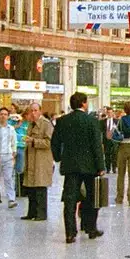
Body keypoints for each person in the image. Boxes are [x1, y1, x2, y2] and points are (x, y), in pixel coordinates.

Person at [51, 92, 106, 244]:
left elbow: (54, 142)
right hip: (90, 166)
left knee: (69, 199)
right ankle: (91, 228)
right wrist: (101, 166)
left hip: (70, 166)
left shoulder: (62, 121)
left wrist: (58, 158)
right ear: (83, 103)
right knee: (91, 197)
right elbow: (97, 145)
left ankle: (70, 233)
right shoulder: (91, 121)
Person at [20, 103, 54, 222]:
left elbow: (49, 142)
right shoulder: (30, 124)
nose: (33, 113)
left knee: (40, 187)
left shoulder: (46, 124)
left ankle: (41, 213)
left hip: (41, 160)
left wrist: (33, 141)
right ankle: (31, 212)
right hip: (31, 159)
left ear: (40, 111)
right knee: (31, 187)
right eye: (31, 111)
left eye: (35, 110)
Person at [0, 108, 21, 211]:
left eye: (5, 114)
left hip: (8, 156)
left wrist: (13, 156)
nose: (3, 116)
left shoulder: (11, 129)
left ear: (8, 116)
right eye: (1, 114)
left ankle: (11, 199)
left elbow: (14, 143)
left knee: (8, 178)